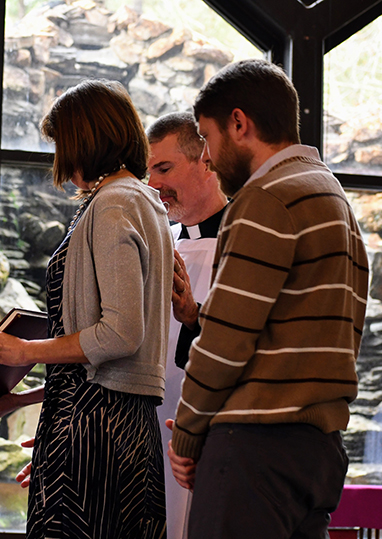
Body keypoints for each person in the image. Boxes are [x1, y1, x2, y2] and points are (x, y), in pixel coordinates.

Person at [0, 79, 174, 539]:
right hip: (126, 430)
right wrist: (17, 400)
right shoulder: (144, 201)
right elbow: (115, 363)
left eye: (62, 143)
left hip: (94, 434)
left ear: (83, 140)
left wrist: (22, 351)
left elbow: (119, 336)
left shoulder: (115, 202)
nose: (59, 159)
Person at [168, 59, 369, 538]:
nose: (209, 158)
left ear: (240, 124)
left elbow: (225, 342)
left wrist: (190, 436)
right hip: (317, 453)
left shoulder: (266, 198)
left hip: (254, 451)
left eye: (208, 137)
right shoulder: (334, 198)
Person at [146, 111, 227, 539]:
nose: (154, 184)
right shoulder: (158, 246)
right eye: (149, 172)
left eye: (164, 168)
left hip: (208, 437)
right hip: (148, 431)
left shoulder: (243, 245)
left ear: (207, 161)